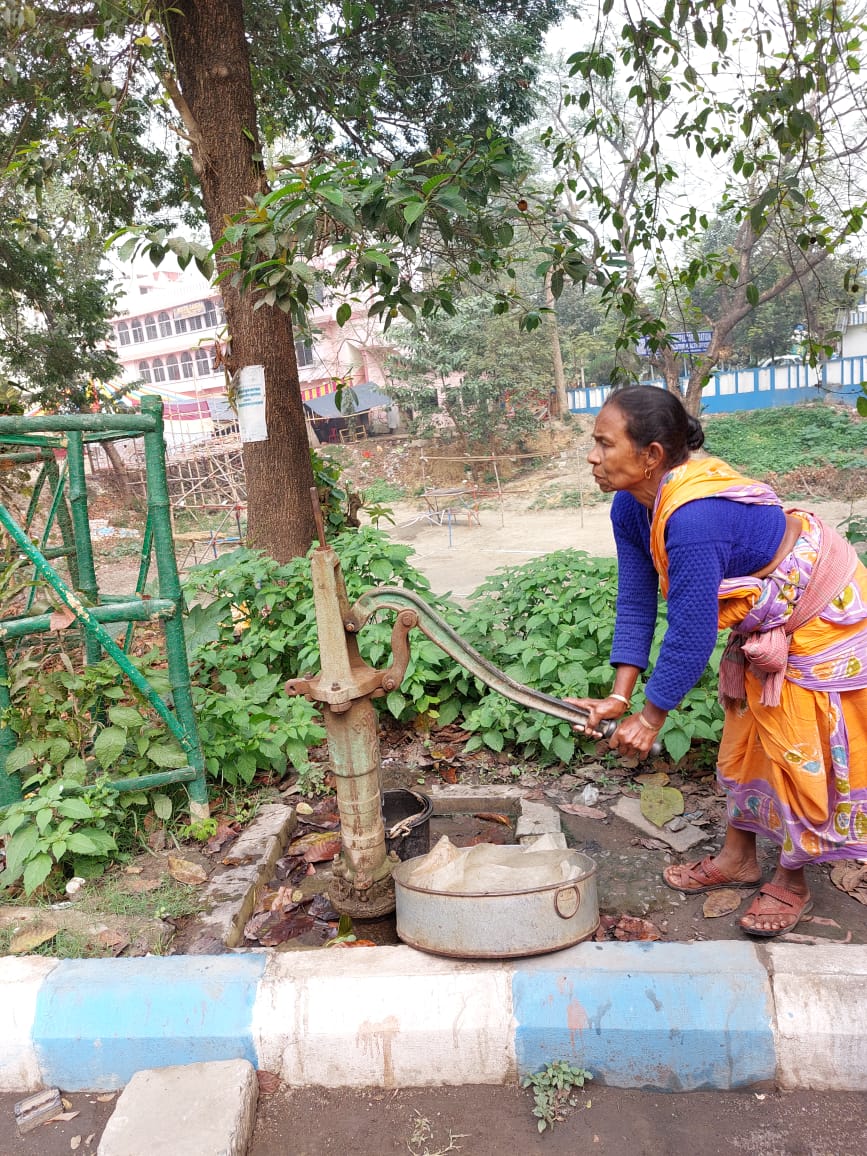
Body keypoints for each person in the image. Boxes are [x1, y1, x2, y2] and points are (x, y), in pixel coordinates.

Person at [571, 385, 867, 937]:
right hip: (769, 613)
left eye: (604, 444)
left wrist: (652, 717)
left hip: (822, 609)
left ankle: (793, 879)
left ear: (652, 455)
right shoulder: (630, 505)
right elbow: (635, 597)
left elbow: (691, 631)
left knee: (796, 747)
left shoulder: (693, 518)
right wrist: (620, 695)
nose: (592, 456)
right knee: (746, 732)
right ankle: (738, 857)